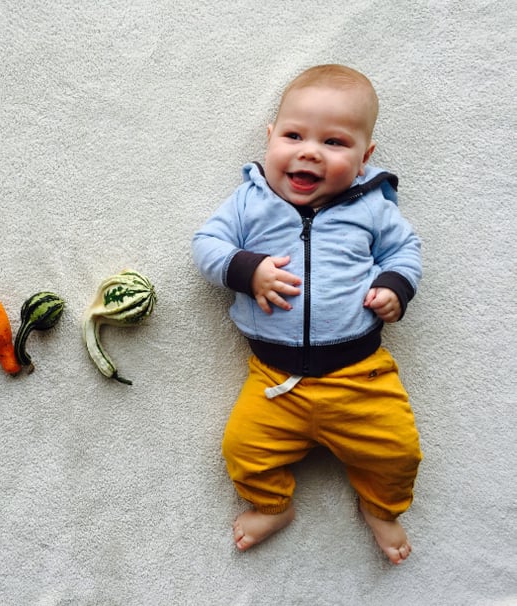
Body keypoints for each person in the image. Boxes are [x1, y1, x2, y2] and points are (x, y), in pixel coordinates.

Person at [192, 64, 422, 565]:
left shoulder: (372, 206)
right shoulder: (250, 200)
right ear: (270, 137)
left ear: (365, 157)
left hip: (361, 376)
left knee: (397, 451)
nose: (310, 152)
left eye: (335, 143)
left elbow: (405, 251)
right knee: (242, 451)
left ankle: (381, 507)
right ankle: (273, 504)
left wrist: (394, 287)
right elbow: (206, 245)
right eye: (294, 135)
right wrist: (247, 270)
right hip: (276, 380)